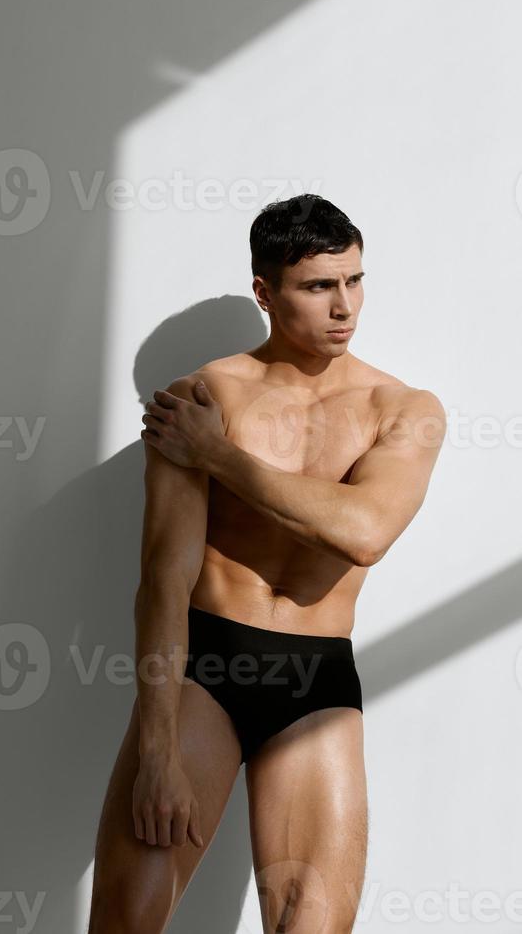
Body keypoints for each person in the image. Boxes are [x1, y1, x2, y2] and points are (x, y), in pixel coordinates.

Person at [87, 194, 446, 934]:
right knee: (125, 919)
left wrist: (217, 456)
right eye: (318, 287)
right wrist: (156, 751)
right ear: (265, 293)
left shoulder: (402, 409)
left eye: (354, 280)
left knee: (308, 924)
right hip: (205, 667)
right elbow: (164, 576)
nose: (344, 306)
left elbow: (365, 533)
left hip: (317, 677)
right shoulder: (202, 397)